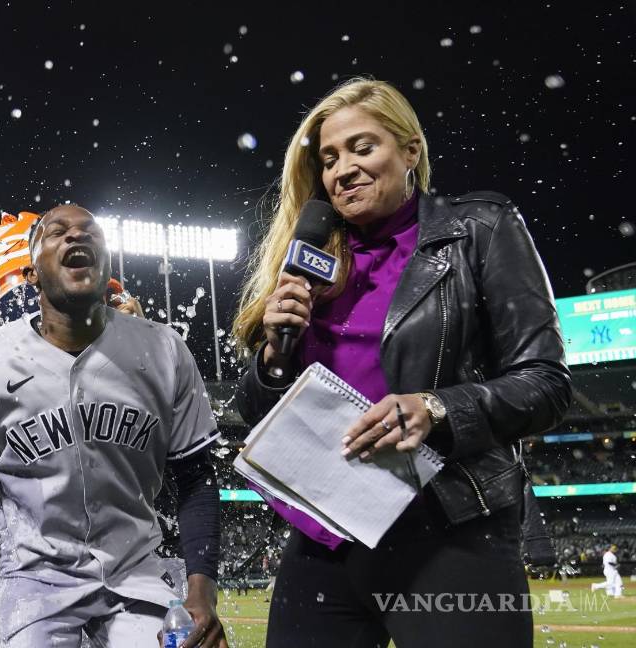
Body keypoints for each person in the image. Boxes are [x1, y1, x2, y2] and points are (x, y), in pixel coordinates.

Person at [232, 78, 571, 647]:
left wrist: (436, 409)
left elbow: (547, 383)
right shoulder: (311, 261)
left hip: (449, 529)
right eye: (329, 159)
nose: (343, 170)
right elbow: (254, 413)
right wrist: (274, 353)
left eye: (362, 148)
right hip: (324, 534)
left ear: (411, 150)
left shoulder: (480, 228)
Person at [0, 204, 228, 648]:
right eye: (57, 232)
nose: (77, 235)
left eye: (91, 231)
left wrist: (202, 594)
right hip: (34, 583)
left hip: (136, 573)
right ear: (32, 274)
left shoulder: (164, 349)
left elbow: (196, 477)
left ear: (107, 269)